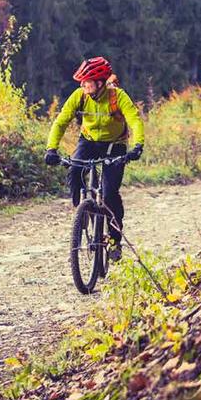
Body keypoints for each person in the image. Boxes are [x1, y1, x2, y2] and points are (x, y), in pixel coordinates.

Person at [44, 57, 144, 260]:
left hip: (114, 145)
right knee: (74, 170)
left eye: (87, 81)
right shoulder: (80, 96)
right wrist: (51, 149)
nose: (83, 85)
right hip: (88, 141)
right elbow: (61, 121)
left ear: (100, 82)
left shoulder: (118, 96)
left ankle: (115, 240)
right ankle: (81, 214)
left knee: (109, 195)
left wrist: (137, 146)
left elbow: (134, 119)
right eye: (82, 82)